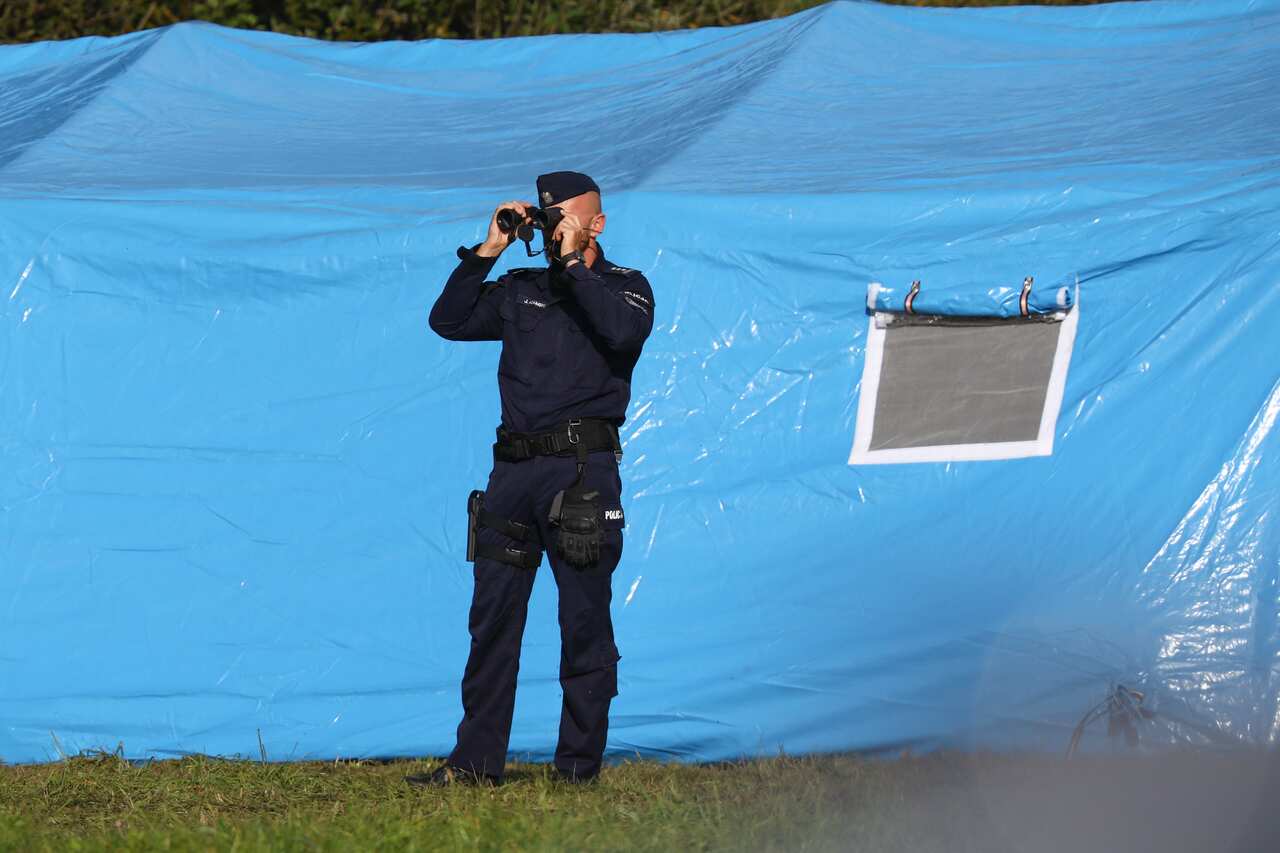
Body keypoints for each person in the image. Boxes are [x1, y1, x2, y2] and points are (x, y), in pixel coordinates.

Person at [405, 171, 654, 787]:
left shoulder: (627, 288)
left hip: (582, 475)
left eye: (563, 218)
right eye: (545, 219)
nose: (551, 229)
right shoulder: (520, 288)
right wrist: (488, 248)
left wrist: (574, 265)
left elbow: (622, 333)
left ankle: (576, 769)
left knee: (584, 622)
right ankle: (474, 765)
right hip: (512, 472)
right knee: (492, 622)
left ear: (595, 223)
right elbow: (448, 320)